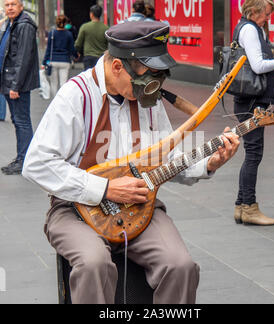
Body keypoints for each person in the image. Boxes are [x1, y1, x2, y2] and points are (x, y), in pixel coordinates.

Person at [22, 21, 240, 304]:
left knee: (180, 266)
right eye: (148, 76)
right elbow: (37, 164)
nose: (154, 86)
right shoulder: (76, 96)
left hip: (139, 206)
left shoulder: (146, 98)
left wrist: (210, 163)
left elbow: (168, 160)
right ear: (117, 67)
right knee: (93, 264)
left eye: (159, 77)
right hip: (74, 208)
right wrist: (104, 189)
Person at [232, 0, 274, 226]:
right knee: (254, 153)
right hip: (251, 102)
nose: (268, 19)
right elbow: (258, 65)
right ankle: (248, 207)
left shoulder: (246, 26)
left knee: (252, 152)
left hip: (248, 100)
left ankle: (242, 206)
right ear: (254, 11)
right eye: (266, 14)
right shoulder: (250, 29)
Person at [0, 0, 39, 175]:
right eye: (7, 5)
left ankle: (25, 161)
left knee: (22, 121)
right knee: (17, 120)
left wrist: (15, 86)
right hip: (8, 81)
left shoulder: (24, 26)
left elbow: (23, 58)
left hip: (16, 85)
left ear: (21, 7)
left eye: (13, 4)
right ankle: (21, 157)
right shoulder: (11, 24)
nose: (9, 8)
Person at [42, 15, 78, 98]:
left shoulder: (52, 33)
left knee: (54, 84)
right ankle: (62, 101)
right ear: (65, 23)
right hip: (65, 61)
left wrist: (44, 62)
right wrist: (76, 56)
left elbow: (48, 49)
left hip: (53, 61)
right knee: (63, 83)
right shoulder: (69, 34)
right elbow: (71, 48)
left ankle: (55, 102)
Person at [75, 5, 108, 71]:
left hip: (88, 58)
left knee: (89, 78)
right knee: (100, 78)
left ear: (91, 14)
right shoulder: (106, 28)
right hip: (101, 58)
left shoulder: (85, 27)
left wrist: (77, 52)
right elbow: (109, 45)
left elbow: (78, 44)